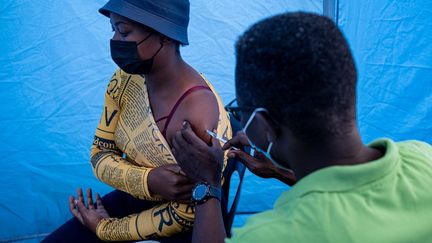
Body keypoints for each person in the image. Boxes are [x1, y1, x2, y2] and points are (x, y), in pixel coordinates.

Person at [170, 12, 432, 243]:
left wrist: (207, 185)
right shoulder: (422, 158)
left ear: (265, 125)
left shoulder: (272, 235)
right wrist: (279, 171)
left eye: (240, 111)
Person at [43, 0, 232, 242]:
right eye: (113, 29)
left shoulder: (196, 113)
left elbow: (195, 208)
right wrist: (149, 180)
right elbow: (99, 153)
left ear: (164, 35)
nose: (115, 40)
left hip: (188, 222)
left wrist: (106, 229)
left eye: (123, 31)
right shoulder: (123, 80)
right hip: (139, 191)